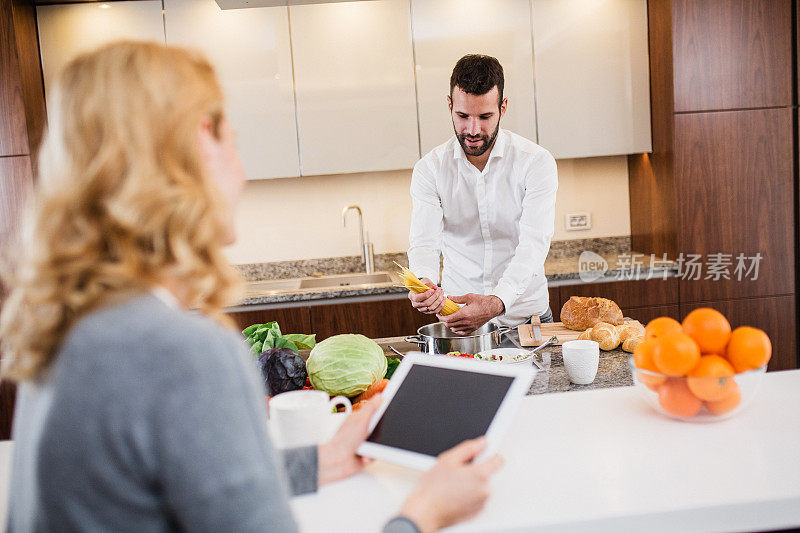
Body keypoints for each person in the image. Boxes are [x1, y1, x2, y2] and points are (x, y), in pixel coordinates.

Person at [0, 42, 502, 533]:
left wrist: (321, 460)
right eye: (233, 141)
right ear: (198, 148)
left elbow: (186, 485)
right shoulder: (184, 352)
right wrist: (425, 512)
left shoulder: (68, 326)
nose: (241, 170)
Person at [407, 54, 558, 335]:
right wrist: (422, 283)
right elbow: (424, 244)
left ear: (503, 107)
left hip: (527, 323)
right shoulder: (429, 169)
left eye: (485, 116)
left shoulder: (536, 162)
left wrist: (497, 302)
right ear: (449, 106)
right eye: (463, 116)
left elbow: (533, 245)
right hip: (462, 326)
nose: (473, 130)